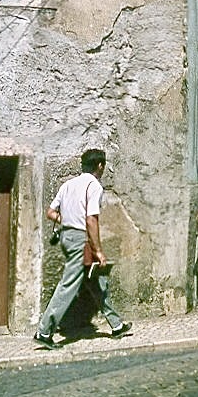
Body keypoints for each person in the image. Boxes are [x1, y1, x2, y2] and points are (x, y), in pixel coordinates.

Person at [34, 148, 131, 349]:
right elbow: (91, 220)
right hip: (80, 239)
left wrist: (67, 220)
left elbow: (50, 212)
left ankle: (116, 324)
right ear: (100, 166)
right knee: (69, 284)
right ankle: (44, 331)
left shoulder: (68, 184)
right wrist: (98, 250)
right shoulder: (94, 186)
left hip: (66, 236)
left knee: (96, 279)